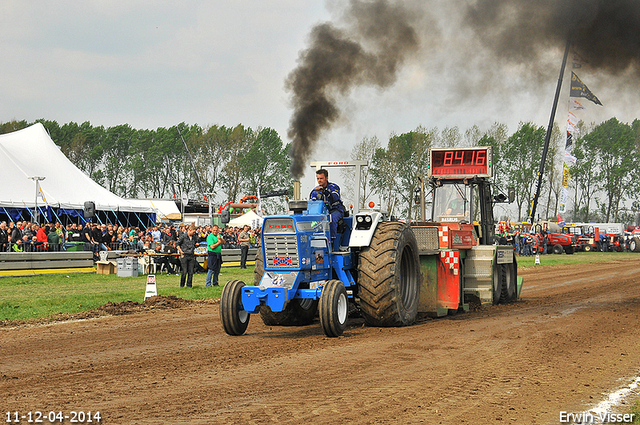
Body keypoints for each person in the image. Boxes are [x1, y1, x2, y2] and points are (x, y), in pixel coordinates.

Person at [309, 168, 345, 242]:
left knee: (330, 218)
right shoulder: (315, 190)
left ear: (326, 178)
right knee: (312, 221)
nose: (319, 180)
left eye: (321, 178)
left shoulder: (334, 187)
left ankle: (331, 242)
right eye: (318, 178)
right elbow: (312, 202)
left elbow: (334, 197)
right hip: (321, 211)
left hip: (335, 210)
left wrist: (324, 192)